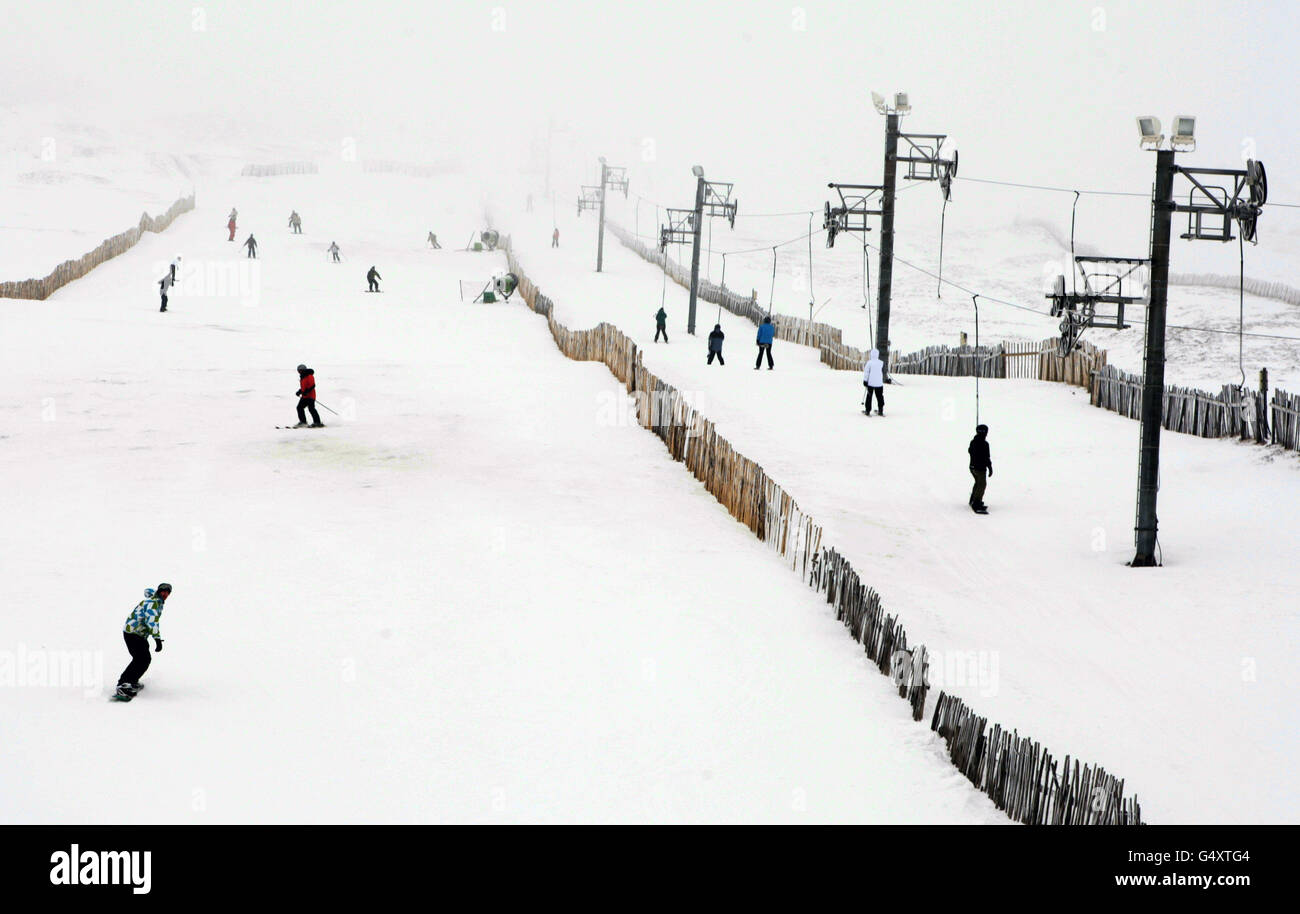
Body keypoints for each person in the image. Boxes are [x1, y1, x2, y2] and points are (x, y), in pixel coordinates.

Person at [115, 583, 171, 700]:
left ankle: (131, 681)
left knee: (144, 659)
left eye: (167, 592)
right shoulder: (153, 603)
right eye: (163, 591)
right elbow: (151, 620)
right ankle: (123, 684)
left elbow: (149, 593)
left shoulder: (156, 601)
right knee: (141, 659)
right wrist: (157, 639)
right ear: (159, 591)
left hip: (138, 634)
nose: (165, 594)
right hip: (133, 633)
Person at [968, 424, 992, 513]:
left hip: (973, 467)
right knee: (982, 484)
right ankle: (976, 502)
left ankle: (973, 499)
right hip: (979, 468)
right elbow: (986, 457)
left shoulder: (973, 442)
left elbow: (970, 451)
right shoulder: (983, 444)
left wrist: (989, 466)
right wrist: (989, 466)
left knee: (978, 483)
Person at [863, 348, 885, 415]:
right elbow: (883, 371)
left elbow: (866, 372)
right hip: (879, 383)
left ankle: (867, 410)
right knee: (879, 396)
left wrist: (865, 380)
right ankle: (880, 409)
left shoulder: (869, 363)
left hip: (871, 383)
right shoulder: (881, 363)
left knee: (869, 396)